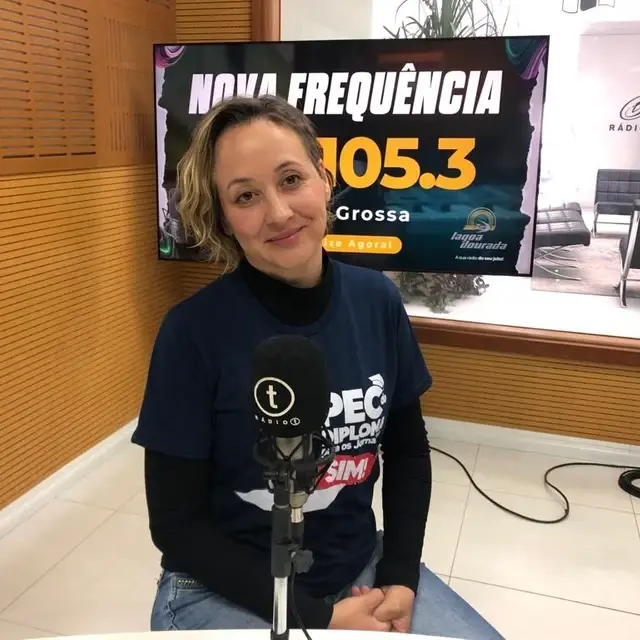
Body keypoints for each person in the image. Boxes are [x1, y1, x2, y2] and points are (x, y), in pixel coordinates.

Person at [132, 94, 503, 639]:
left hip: (359, 569)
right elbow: (176, 524)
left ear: (324, 181)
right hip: (226, 586)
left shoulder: (377, 301)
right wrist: (319, 619)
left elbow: (407, 451)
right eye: (245, 196)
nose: (279, 213)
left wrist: (400, 577)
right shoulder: (192, 331)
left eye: (291, 180)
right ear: (225, 220)